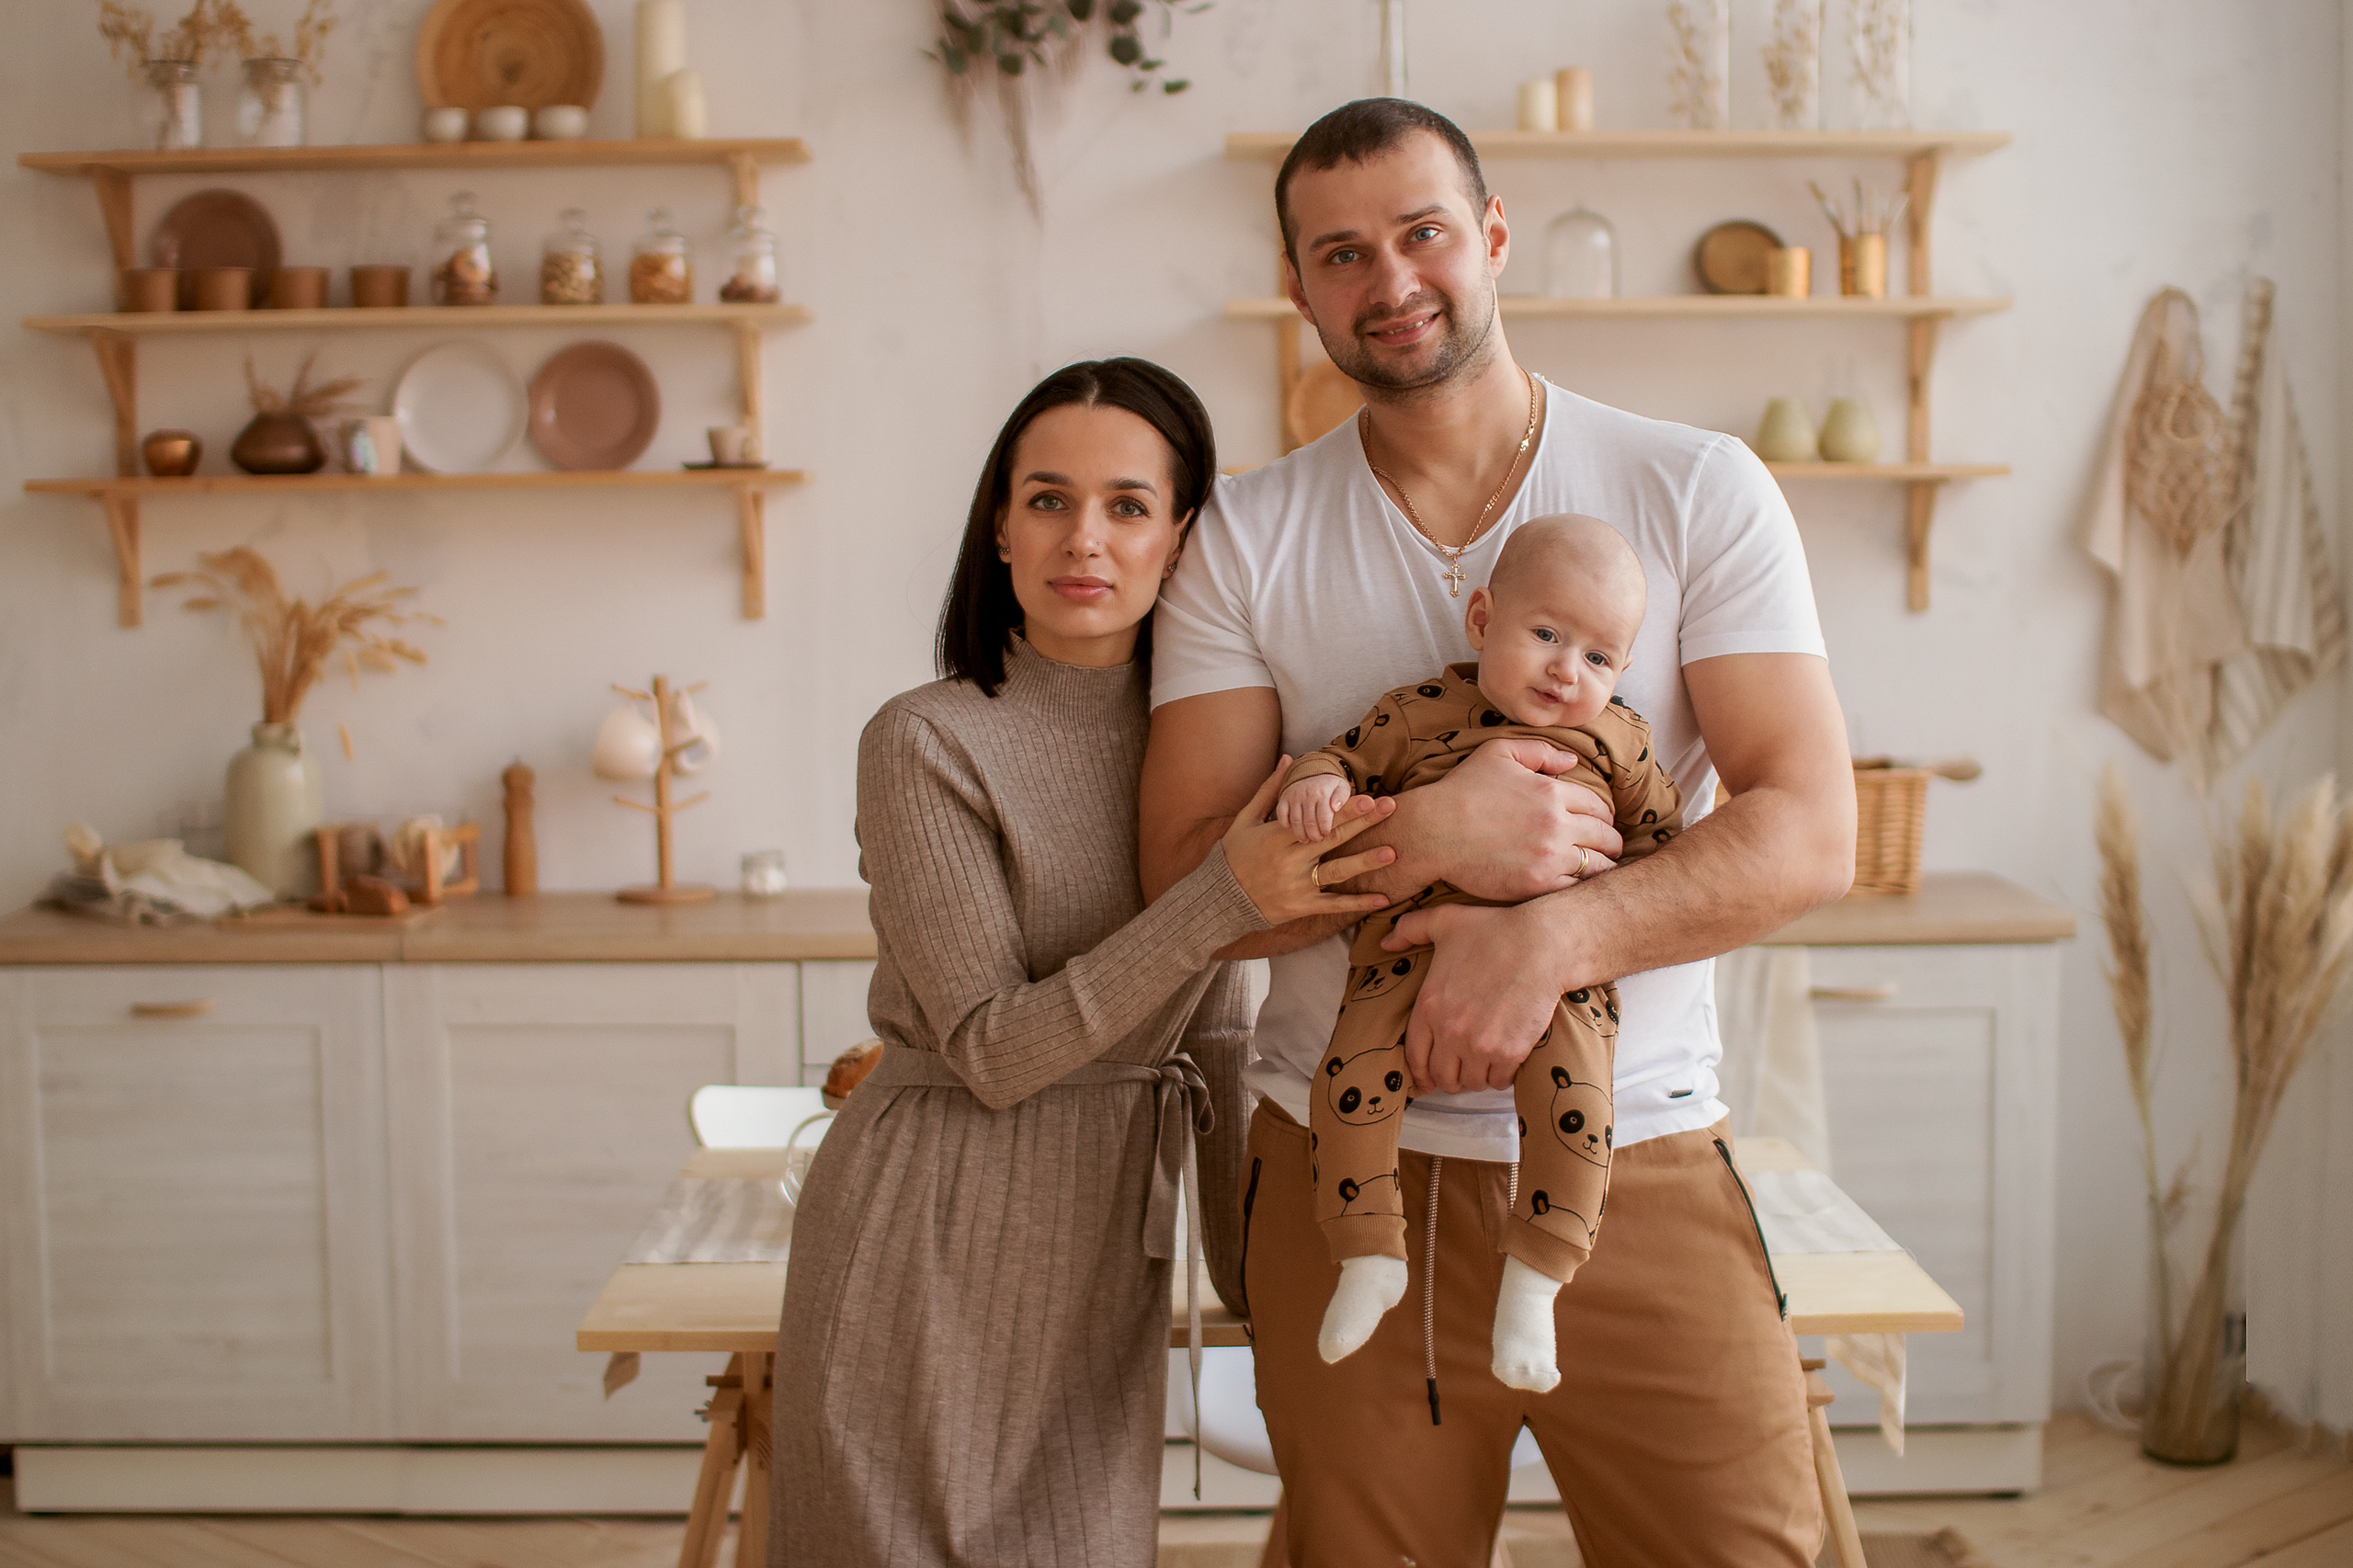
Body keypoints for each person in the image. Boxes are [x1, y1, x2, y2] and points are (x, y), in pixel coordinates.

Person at [1138, 100, 1856, 1566]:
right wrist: (1431, 835)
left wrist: (1552, 939)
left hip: (1638, 1154)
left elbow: (1807, 829)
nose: (1391, 279)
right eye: (1342, 253)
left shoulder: (1694, 486)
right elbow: (1182, 882)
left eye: (1424, 233)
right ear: (1297, 285)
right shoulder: (1243, 537)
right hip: (1345, 1174)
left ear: (1495, 235)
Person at [770, 358, 1399, 1568]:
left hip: (1107, 1254)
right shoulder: (925, 739)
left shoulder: (1216, 740)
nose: (1085, 539)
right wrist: (1220, 897)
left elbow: (1216, 1031)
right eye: (1048, 499)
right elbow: (993, 1050)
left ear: (1183, 535)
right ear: (999, 527)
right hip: (921, 1241)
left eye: (1128, 505)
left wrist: (1255, 1287)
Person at [1276, 515, 1683, 1394]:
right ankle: (1367, 1254)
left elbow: (1668, 848)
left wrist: (1601, 904)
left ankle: (1536, 1282)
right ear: (1482, 620)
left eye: (1599, 656)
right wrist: (1315, 783)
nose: (1567, 670)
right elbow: (1340, 764)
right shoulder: (1416, 712)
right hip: (1405, 949)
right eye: (1547, 634)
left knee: (1579, 1102)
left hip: (1562, 971)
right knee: (1348, 1077)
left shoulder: (1620, 739)